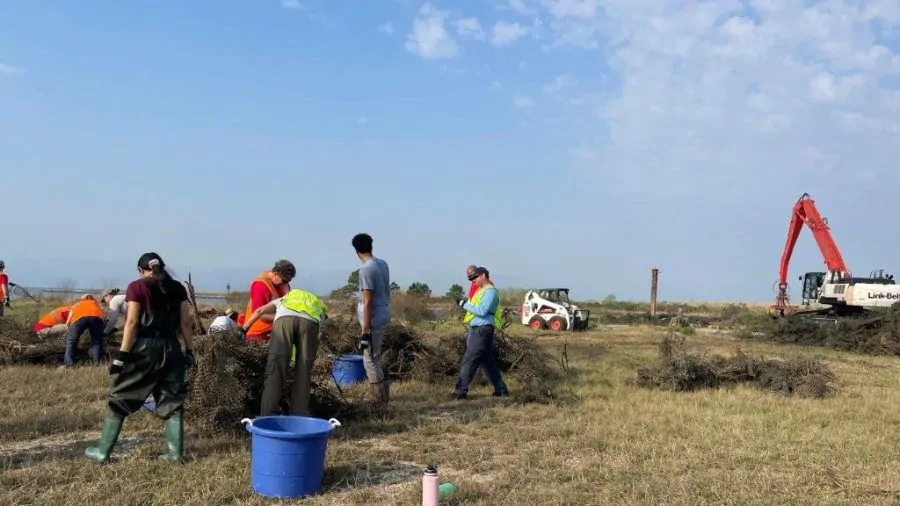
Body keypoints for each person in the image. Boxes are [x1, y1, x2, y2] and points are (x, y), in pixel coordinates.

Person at [84, 252, 195, 464]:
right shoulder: (178, 288)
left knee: (120, 397)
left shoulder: (137, 286)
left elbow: (132, 322)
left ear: (140, 270)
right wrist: (189, 350)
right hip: (172, 347)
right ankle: (174, 455)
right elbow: (185, 323)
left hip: (145, 347)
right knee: (172, 400)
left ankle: (102, 452)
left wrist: (121, 356)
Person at [242, 288, 328, 416]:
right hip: (310, 322)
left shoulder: (285, 299)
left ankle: (267, 416)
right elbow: (324, 323)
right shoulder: (316, 303)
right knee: (304, 373)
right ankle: (299, 417)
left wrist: (244, 329)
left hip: (284, 321)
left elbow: (259, 311)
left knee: (275, 370)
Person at [452, 266, 509, 400]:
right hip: (478, 330)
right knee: (487, 362)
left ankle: (461, 391)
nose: (473, 281)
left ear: (484, 276)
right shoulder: (481, 291)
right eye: (472, 279)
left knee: (469, 359)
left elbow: (482, 311)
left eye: (475, 277)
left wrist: (463, 304)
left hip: (482, 330)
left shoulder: (490, 292)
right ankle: (501, 390)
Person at [352, 233, 391, 403]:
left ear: (356, 251)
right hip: (383, 314)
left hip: (373, 319)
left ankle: (378, 400)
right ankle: (383, 397)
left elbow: (367, 301)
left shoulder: (366, 269)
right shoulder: (382, 264)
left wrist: (365, 331)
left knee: (370, 358)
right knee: (375, 356)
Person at [242, 260, 295, 342]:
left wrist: (286, 290)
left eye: (288, 281)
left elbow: (289, 307)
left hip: (274, 332)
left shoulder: (282, 284)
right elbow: (260, 315)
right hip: (257, 336)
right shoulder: (260, 285)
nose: (285, 283)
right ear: (276, 274)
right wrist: (283, 319)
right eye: (284, 280)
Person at [63, 294, 107, 366]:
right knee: (97, 341)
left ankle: (69, 363)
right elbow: (102, 315)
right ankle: (97, 363)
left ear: (82, 299)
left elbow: (69, 319)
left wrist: (68, 326)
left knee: (71, 340)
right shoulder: (96, 303)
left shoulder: (77, 304)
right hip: (96, 318)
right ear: (92, 298)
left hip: (79, 319)